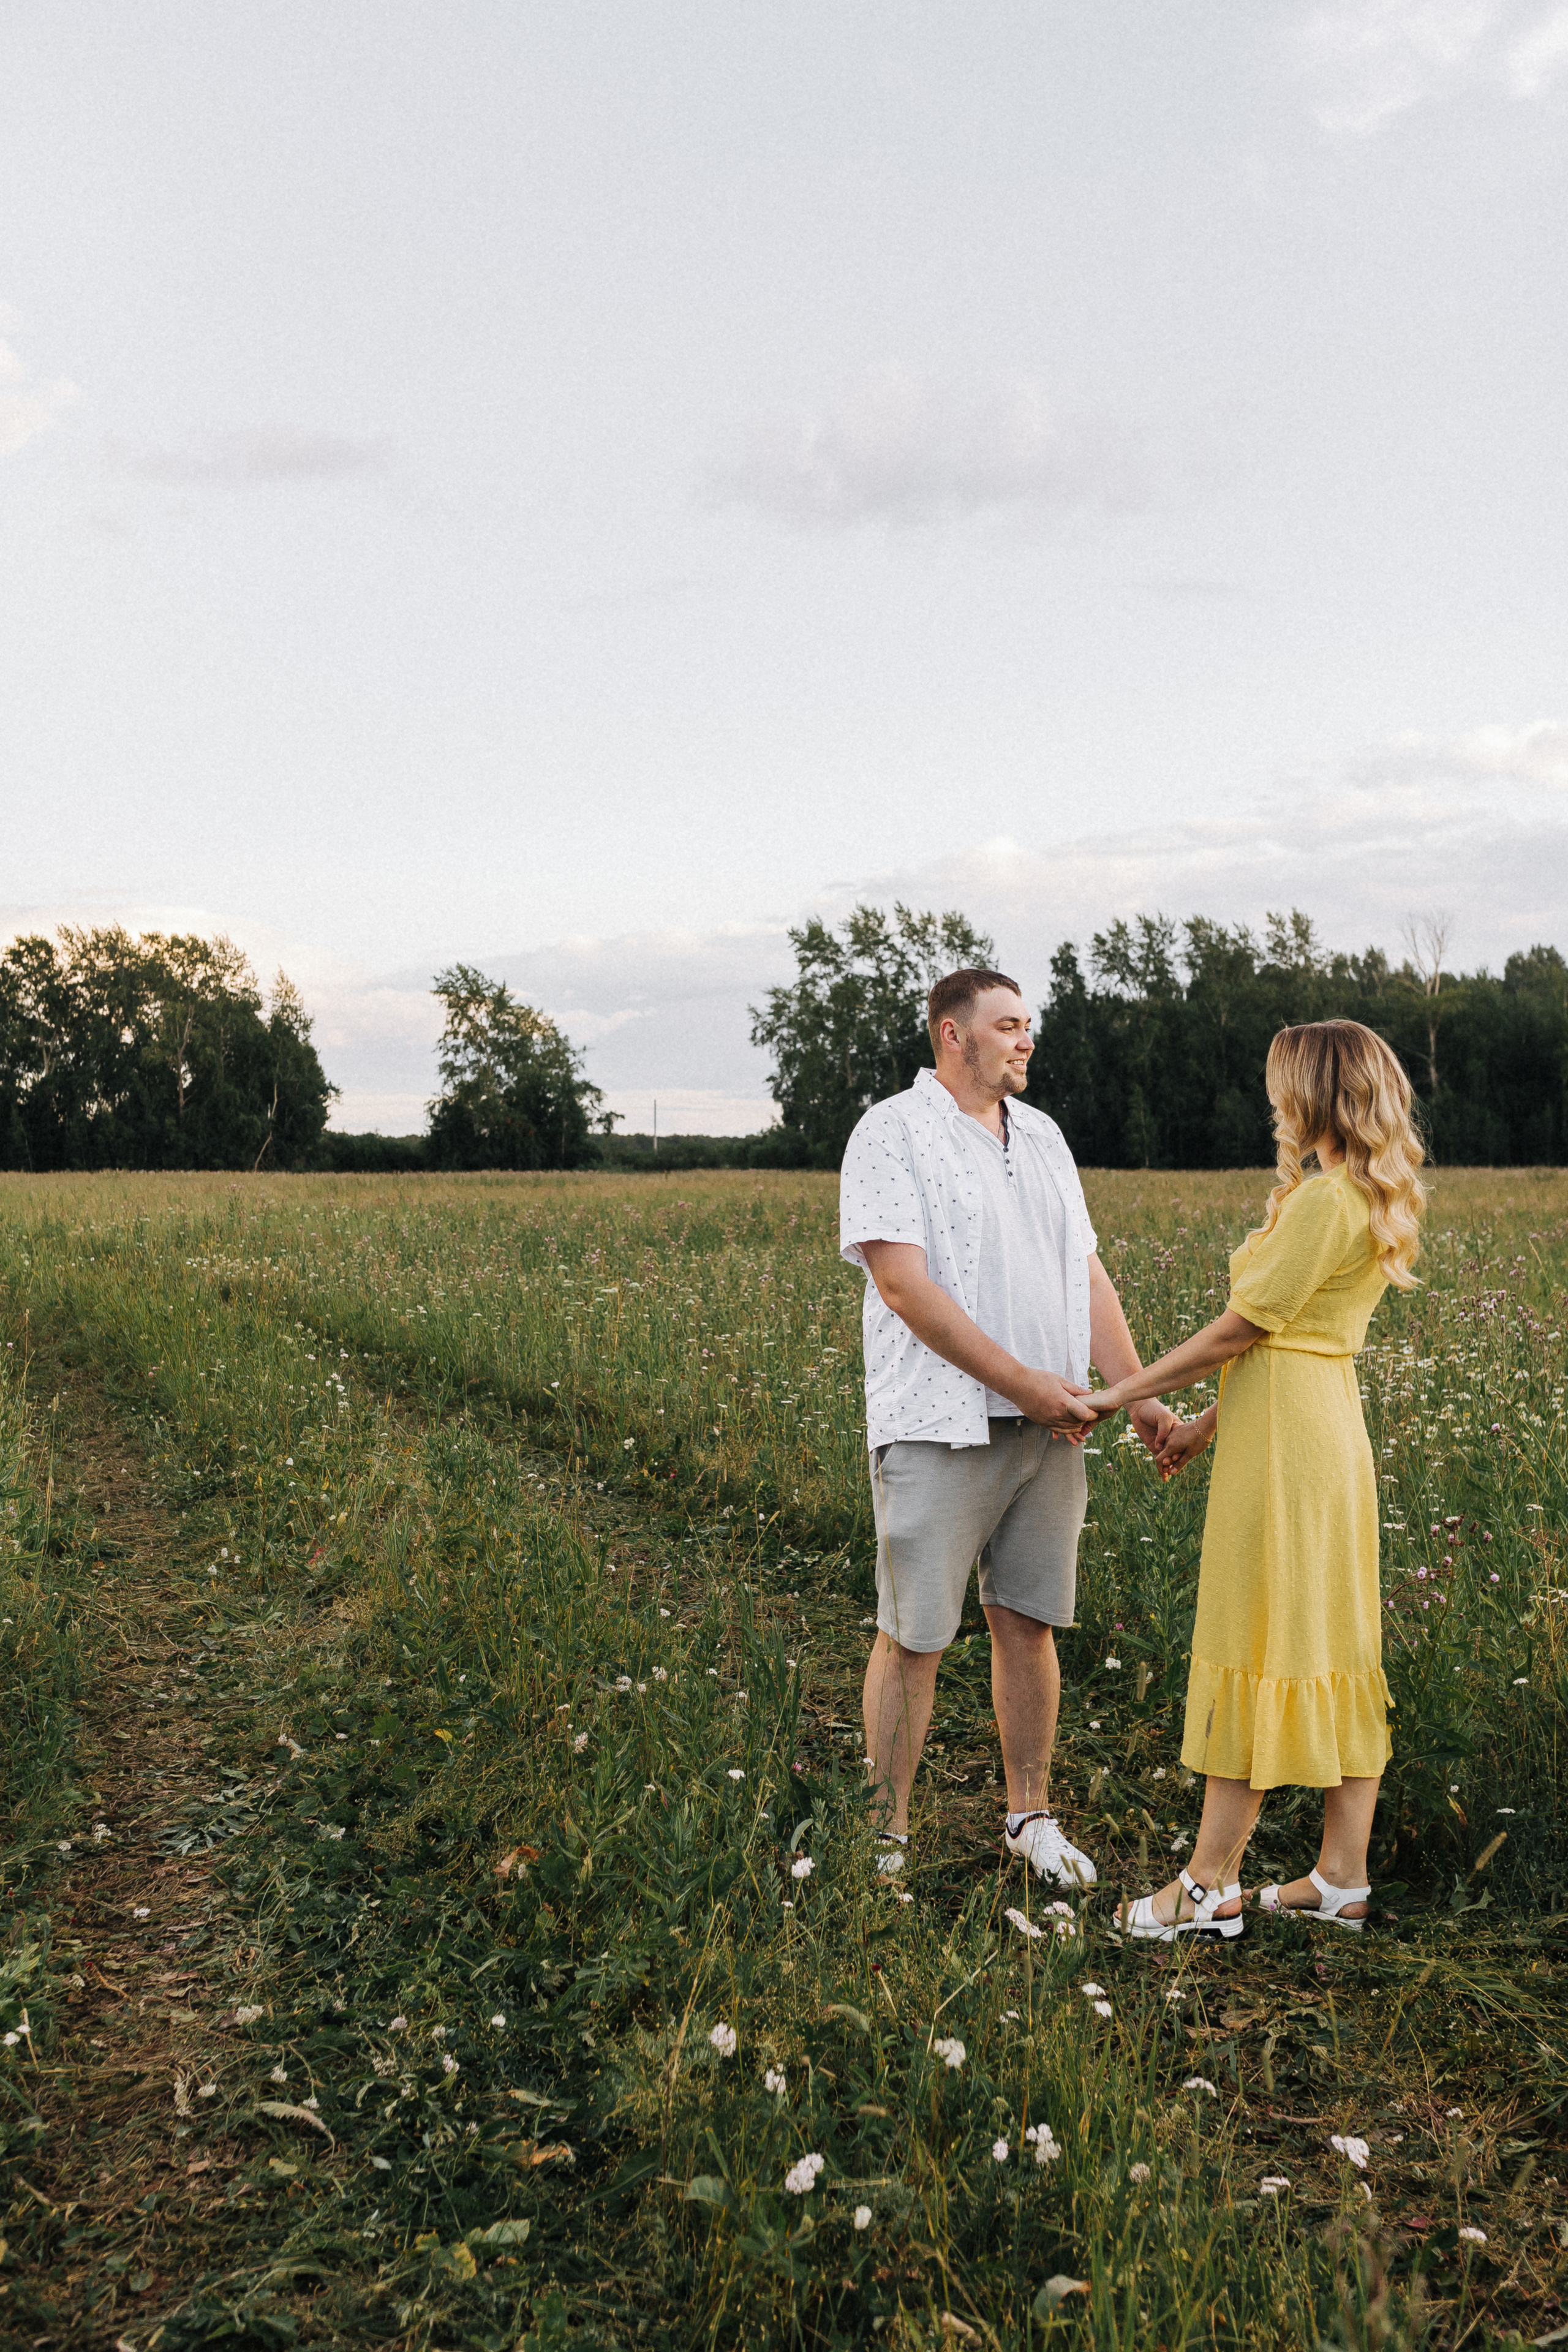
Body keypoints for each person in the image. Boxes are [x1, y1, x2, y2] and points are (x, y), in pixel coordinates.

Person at [839, 966, 1176, 1889]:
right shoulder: (892, 1132)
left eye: (1028, 1025)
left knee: (1029, 1622)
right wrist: (1022, 1384)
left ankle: (1030, 1818)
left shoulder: (1046, 1136)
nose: (1026, 1040)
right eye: (1008, 1025)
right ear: (955, 1035)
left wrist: (1136, 1393)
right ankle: (885, 1838)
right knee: (915, 1636)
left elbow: (1087, 1273)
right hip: (941, 1423)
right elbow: (903, 1285)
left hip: (1053, 1423)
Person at [1090, 1019, 1427, 1939]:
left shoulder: (1325, 1201)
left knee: (1261, 1633)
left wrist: (1123, 1390)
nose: (1271, 1100)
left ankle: (1206, 1889)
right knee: (1332, 1637)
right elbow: (1287, 1335)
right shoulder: (1361, 1192)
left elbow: (1245, 1327)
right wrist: (1199, 1428)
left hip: (1290, 1445)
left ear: (1315, 1092)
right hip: (1313, 1425)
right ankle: (1340, 1877)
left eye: (1282, 1084)